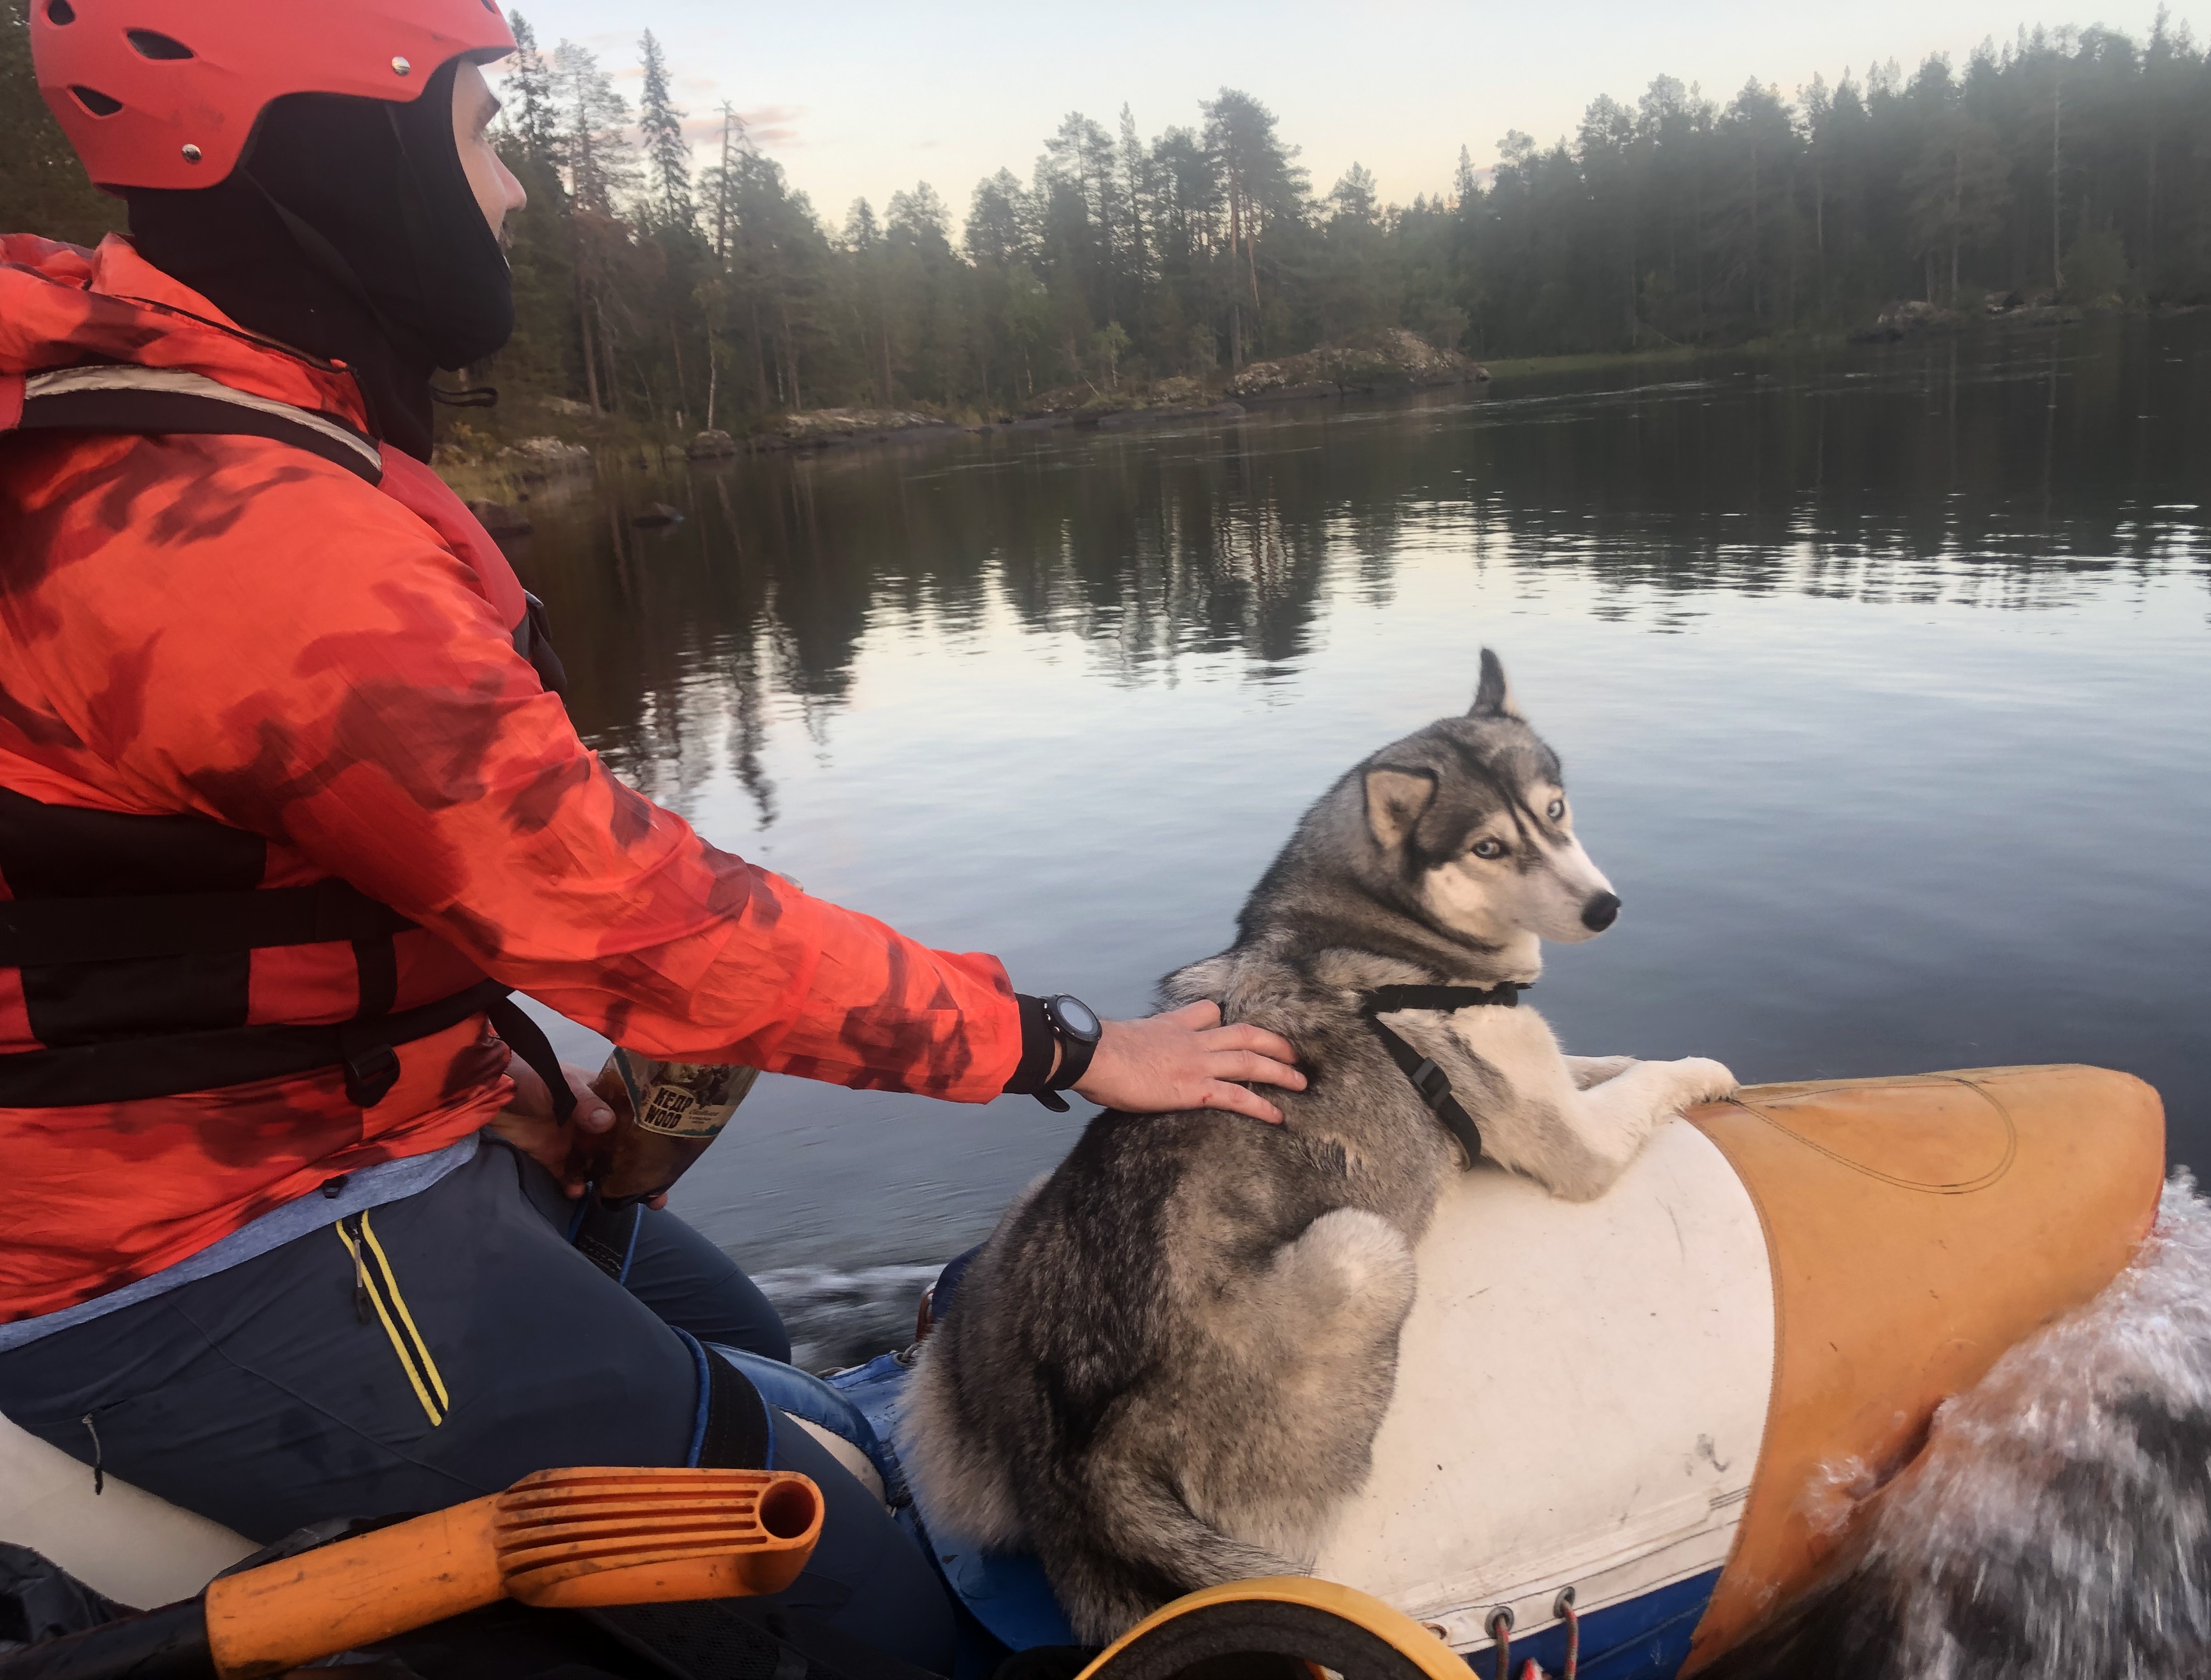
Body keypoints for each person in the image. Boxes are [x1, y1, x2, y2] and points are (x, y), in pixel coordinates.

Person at [0, 4, 1303, 1672]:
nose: (514, 191)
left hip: (327, 1145)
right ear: (330, 143)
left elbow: (270, 904)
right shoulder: (232, 538)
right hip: (200, 1251)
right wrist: (1063, 1045)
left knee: (727, 1322)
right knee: (848, 1607)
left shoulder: (181, 428)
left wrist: (513, 1093)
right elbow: (624, 909)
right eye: (476, 131)